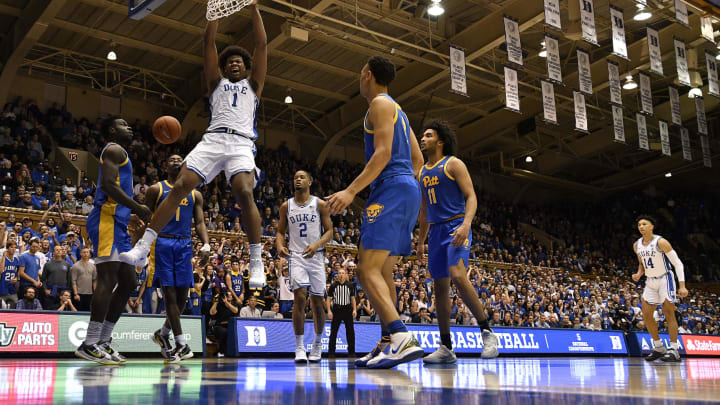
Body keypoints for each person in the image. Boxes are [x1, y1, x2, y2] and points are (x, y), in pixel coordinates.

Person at [121, 0, 268, 291]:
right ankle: (143, 246)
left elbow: (262, 45)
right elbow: (208, 45)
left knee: (243, 190)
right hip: (213, 139)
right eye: (229, 62)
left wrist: (253, 9)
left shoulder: (254, 85)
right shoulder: (216, 83)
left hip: (241, 142)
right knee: (179, 186)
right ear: (224, 67)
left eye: (239, 60)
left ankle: (256, 259)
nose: (234, 63)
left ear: (246, 66)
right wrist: (212, 16)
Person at [327, 56, 425, 369]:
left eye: (359, 73)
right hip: (407, 190)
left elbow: (382, 154)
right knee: (383, 272)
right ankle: (387, 343)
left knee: (365, 269)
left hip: (390, 190)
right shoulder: (400, 112)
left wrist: (351, 190)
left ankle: (401, 337)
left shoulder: (379, 105)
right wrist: (409, 189)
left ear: (367, 75)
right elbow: (419, 161)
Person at [416, 120, 498, 363]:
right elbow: (423, 210)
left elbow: (471, 196)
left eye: (428, 135)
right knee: (440, 288)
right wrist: (421, 241)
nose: (423, 139)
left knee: (458, 274)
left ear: (440, 142)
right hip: (436, 232)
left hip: (456, 225)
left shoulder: (453, 164)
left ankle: (487, 332)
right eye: (423, 135)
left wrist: (466, 224)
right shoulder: (421, 172)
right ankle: (446, 347)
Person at [75, 117, 152, 365]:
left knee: (129, 280)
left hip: (117, 222)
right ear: (111, 130)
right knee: (108, 279)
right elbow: (107, 185)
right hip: (104, 222)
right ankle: (89, 343)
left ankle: (103, 341)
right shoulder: (113, 149)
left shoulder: (122, 153)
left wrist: (127, 215)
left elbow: (114, 194)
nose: (129, 127)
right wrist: (137, 207)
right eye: (123, 124)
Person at [146, 154, 209, 363]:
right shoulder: (156, 189)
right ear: (165, 166)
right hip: (162, 243)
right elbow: (145, 217)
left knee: (183, 296)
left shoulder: (195, 194)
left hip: (184, 244)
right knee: (170, 294)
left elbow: (199, 222)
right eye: (170, 159)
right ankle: (182, 344)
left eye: (179, 159)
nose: (175, 161)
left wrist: (206, 244)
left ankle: (163, 334)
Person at [276, 170, 333, 363]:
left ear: (310, 181)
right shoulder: (286, 206)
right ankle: (299, 347)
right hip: (297, 257)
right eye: (295, 177)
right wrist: (279, 245)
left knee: (318, 302)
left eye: (302, 177)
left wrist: (317, 244)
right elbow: (279, 232)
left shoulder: (320, 204)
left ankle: (317, 343)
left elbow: (330, 231)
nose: (298, 179)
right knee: (299, 297)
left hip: (316, 257)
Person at [632, 215, 688, 362]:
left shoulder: (661, 242)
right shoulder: (637, 245)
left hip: (665, 278)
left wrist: (682, 285)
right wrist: (639, 274)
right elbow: (642, 264)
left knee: (668, 313)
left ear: (652, 226)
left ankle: (674, 350)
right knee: (646, 314)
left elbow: (678, 263)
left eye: (644, 224)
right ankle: (658, 347)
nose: (641, 227)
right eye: (639, 225)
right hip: (650, 280)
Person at [327, 268, 356, 358]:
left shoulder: (350, 285)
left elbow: (353, 299)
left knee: (350, 332)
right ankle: (331, 352)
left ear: (345, 274)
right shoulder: (333, 285)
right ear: (337, 275)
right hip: (337, 310)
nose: (341, 275)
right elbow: (328, 299)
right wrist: (329, 311)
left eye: (343, 273)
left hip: (347, 309)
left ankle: (351, 352)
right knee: (334, 332)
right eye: (339, 273)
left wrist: (354, 309)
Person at [40, 245, 73, 310]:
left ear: (62, 252)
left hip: (63, 292)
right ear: (53, 252)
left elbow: (69, 279)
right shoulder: (48, 264)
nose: (58, 251)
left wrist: (68, 291)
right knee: (49, 309)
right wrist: (45, 289)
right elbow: (43, 279)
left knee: (63, 308)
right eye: (56, 250)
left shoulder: (66, 264)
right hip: (51, 290)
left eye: (60, 250)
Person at [210, 289, 239, 356]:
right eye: (227, 295)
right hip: (219, 326)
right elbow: (212, 312)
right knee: (224, 332)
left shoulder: (234, 303)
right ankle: (221, 351)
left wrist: (226, 302)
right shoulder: (220, 304)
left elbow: (235, 311)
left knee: (233, 331)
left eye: (230, 295)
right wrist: (216, 301)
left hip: (230, 326)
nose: (229, 296)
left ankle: (235, 351)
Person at [71, 247, 96, 311]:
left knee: (88, 312)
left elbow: (94, 280)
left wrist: (95, 292)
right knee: (79, 312)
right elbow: (73, 281)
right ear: (80, 254)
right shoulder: (75, 266)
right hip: (79, 293)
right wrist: (76, 294)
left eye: (87, 252)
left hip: (89, 293)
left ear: (89, 254)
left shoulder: (93, 266)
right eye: (84, 252)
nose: (85, 254)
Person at [0, 239, 19, 308]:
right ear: (7, 248)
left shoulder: (16, 260)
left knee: (15, 307)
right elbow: (1, 271)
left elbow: (18, 273)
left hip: (12, 288)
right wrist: (4, 257)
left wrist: (16, 278)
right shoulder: (2, 259)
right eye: (11, 247)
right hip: (2, 288)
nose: (13, 249)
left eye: (15, 247)